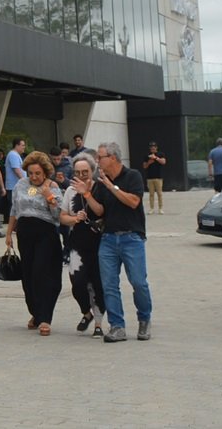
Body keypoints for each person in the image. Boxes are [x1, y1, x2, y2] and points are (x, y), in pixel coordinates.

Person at [80, 141, 152, 343]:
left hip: (132, 238)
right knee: (109, 285)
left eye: (100, 157)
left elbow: (133, 202)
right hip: (109, 239)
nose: (97, 161)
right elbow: (101, 211)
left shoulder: (133, 176)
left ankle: (144, 319)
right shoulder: (101, 182)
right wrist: (86, 194)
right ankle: (117, 326)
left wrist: (111, 186)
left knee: (138, 282)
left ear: (112, 158)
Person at [6, 150, 64, 335]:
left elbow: (58, 215)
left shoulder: (53, 186)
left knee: (42, 274)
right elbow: (14, 209)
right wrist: (8, 234)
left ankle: (45, 318)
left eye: (37, 173)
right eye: (30, 173)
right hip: (25, 234)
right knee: (28, 276)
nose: (34, 176)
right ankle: (36, 313)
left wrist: (49, 197)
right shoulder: (21, 185)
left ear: (45, 172)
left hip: (46, 235)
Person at [58, 151, 105, 337]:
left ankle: (99, 325)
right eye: (77, 172)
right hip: (77, 244)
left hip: (99, 244)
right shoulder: (69, 191)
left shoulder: (100, 188)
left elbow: (101, 211)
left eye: (85, 172)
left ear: (92, 171)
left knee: (98, 284)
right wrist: (74, 218)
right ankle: (86, 313)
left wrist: (86, 194)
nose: (81, 176)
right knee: (77, 283)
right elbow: (62, 217)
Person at [3, 138, 27, 224]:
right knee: (15, 207)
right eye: (22, 145)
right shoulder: (13, 155)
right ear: (16, 145)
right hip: (14, 186)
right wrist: (25, 181)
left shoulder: (16, 155)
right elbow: (16, 170)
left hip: (16, 186)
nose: (24, 147)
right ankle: (14, 225)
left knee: (17, 206)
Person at [142, 142, 167, 214]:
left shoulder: (160, 154)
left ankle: (160, 208)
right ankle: (151, 208)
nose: (153, 148)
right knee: (151, 194)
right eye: (151, 147)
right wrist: (149, 162)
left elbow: (163, 162)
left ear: (156, 147)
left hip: (158, 177)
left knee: (159, 193)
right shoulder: (147, 156)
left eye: (154, 146)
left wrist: (156, 158)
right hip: (150, 178)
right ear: (150, 148)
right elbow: (144, 166)